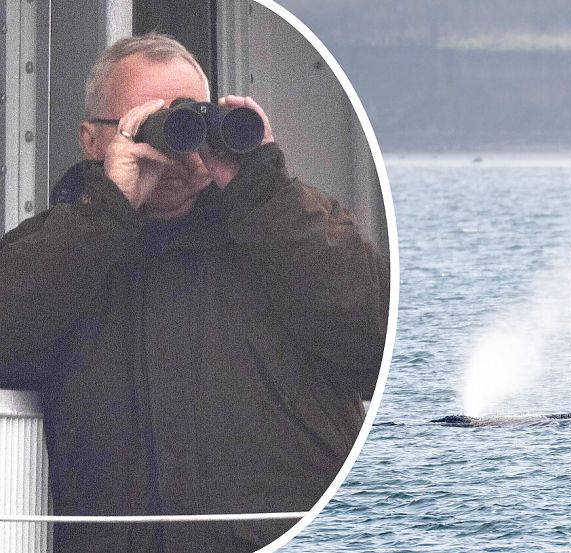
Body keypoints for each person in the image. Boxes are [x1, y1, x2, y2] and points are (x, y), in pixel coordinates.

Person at [0, 33, 389, 552]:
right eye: (152, 122)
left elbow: (379, 347)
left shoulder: (286, 228)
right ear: (93, 141)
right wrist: (105, 214)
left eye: (193, 119)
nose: (180, 146)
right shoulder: (61, 247)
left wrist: (262, 193)